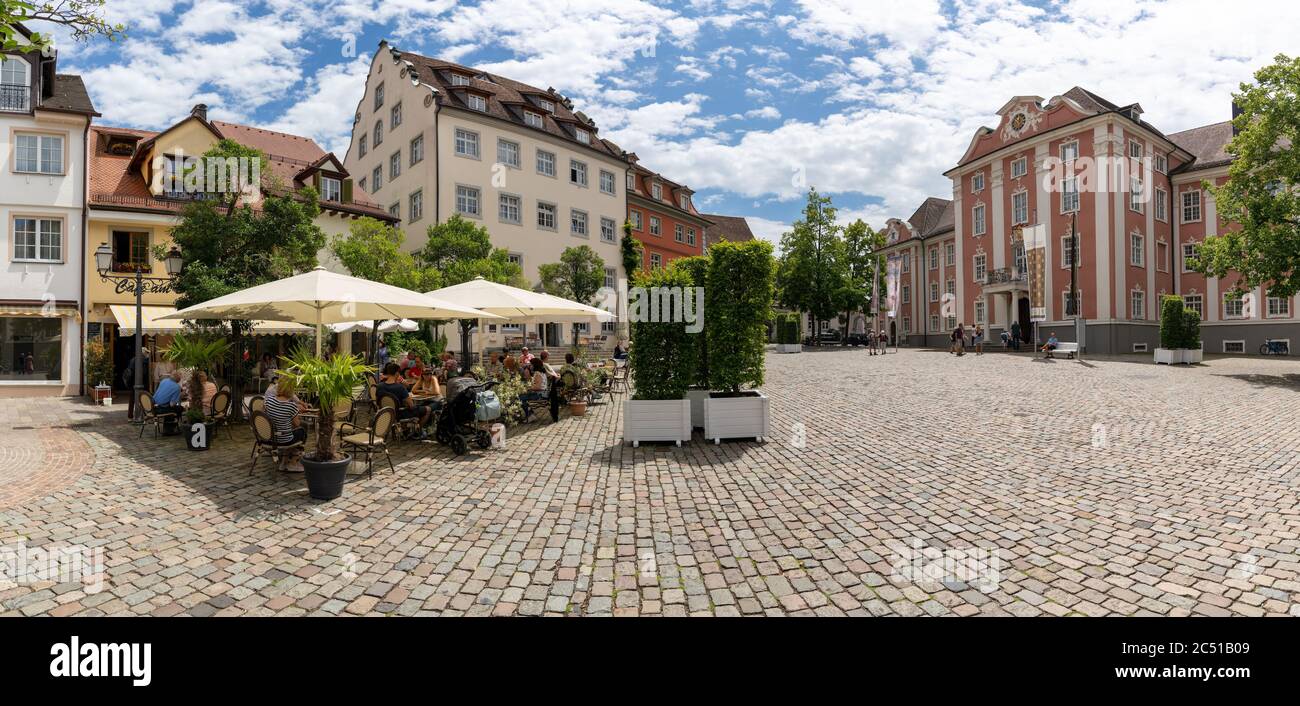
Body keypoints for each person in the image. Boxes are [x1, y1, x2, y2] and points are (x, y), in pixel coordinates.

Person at [264, 376, 307, 472]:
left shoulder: (268, 400)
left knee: (289, 431)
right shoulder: (291, 406)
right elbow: (297, 424)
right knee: (302, 430)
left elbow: (264, 414)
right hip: (284, 439)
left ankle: (284, 463)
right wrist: (295, 414)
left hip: (269, 437)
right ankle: (293, 462)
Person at [377, 362, 432, 439]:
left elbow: (378, 401)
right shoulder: (400, 387)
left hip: (385, 413)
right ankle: (418, 432)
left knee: (406, 408)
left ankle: (405, 431)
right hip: (399, 413)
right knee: (428, 409)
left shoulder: (379, 386)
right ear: (396, 373)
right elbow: (411, 405)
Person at [519, 358, 551, 422]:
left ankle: (530, 415)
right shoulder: (540, 372)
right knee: (522, 396)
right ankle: (530, 414)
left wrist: (529, 388)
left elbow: (538, 387)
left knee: (520, 398)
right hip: (541, 393)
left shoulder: (537, 374)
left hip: (540, 394)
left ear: (535, 365)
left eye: (531, 365)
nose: (530, 366)